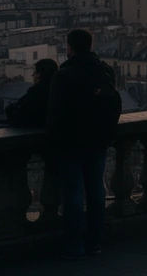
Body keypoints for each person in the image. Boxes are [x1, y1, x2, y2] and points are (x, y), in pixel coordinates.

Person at [48, 29, 119, 259]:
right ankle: (95, 242)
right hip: (98, 139)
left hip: (70, 141)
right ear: (91, 45)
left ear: (69, 47)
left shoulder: (64, 75)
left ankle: (74, 245)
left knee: (73, 193)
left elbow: (55, 114)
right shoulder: (105, 71)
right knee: (96, 190)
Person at [4, 58, 59, 127]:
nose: (33, 77)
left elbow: (17, 116)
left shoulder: (36, 93)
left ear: (39, 75)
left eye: (34, 73)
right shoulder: (59, 91)